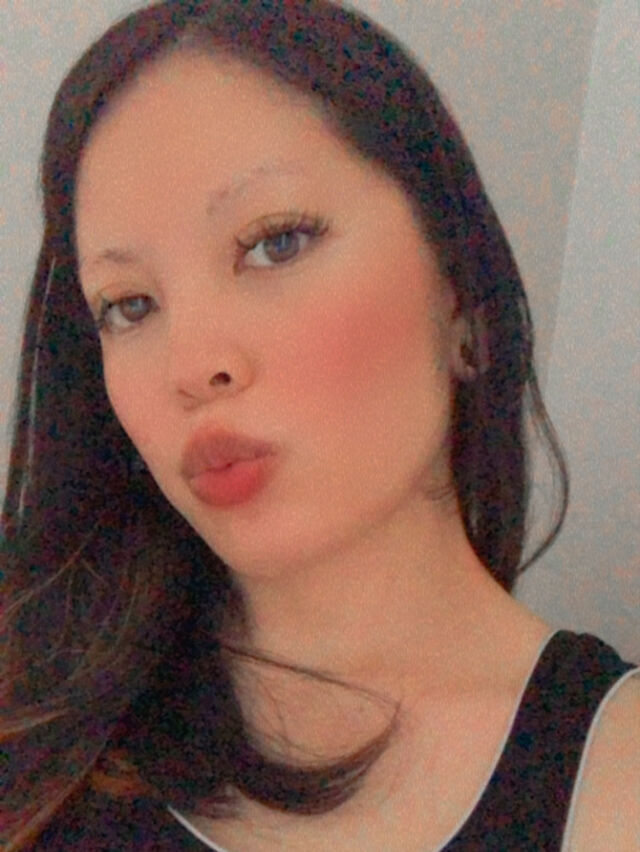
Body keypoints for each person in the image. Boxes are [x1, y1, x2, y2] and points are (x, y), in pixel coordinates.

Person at [1, 1, 637, 850]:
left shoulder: (615, 775)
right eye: (130, 305)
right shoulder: (35, 709)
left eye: (276, 244)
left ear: (460, 293)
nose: (193, 363)